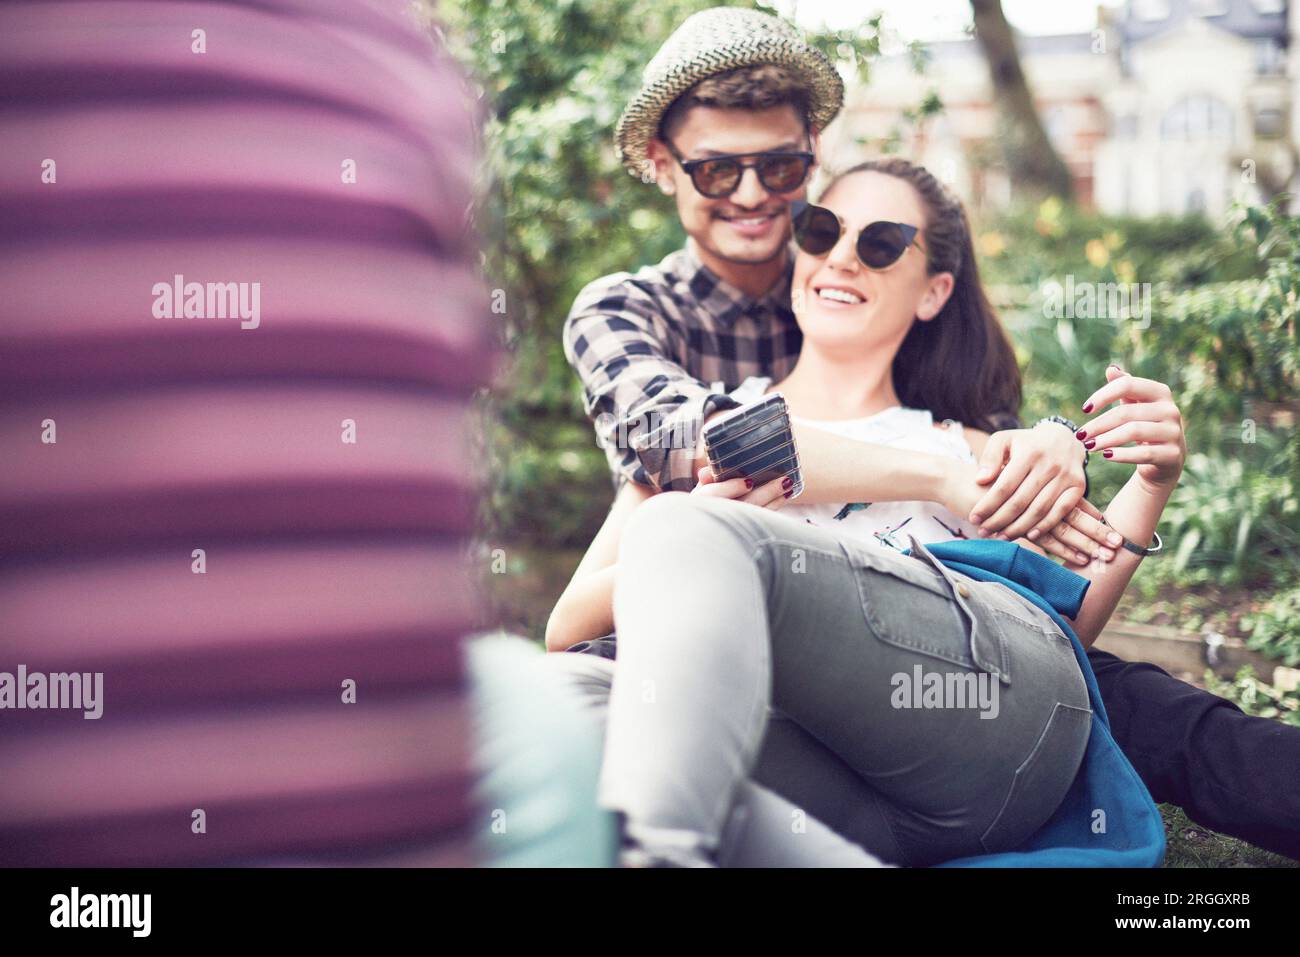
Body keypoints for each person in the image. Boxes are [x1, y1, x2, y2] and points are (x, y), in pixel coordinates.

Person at [558, 6, 1300, 860]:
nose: (832, 253)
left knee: (1152, 709)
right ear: (666, 166)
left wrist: (1099, 457)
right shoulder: (660, 341)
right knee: (564, 693)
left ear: (934, 288)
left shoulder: (963, 444)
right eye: (824, 233)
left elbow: (1068, 618)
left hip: (968, 708)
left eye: (880, 245)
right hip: (806, 746)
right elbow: (702, 450)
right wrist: (685, 513)